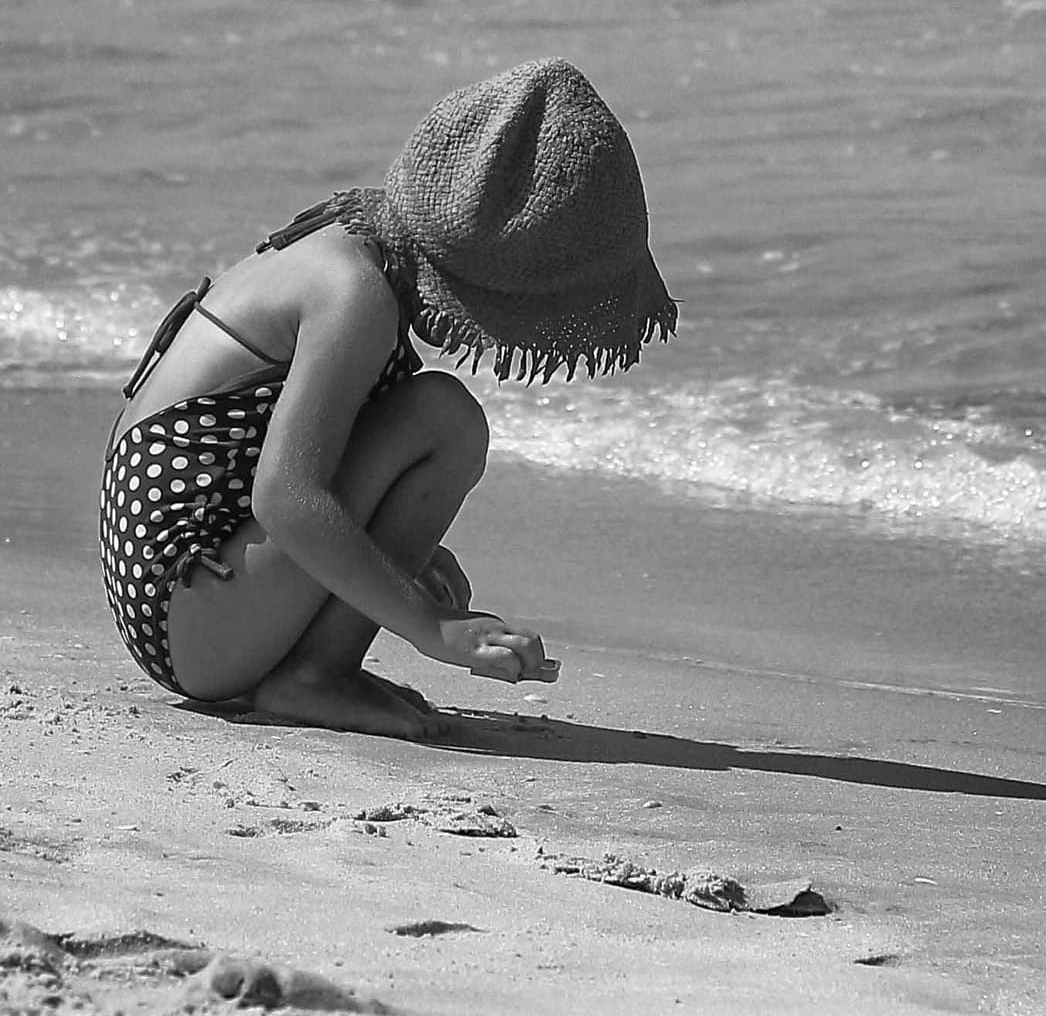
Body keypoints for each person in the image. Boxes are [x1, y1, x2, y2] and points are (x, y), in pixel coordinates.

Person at [98, 58, 677, 739]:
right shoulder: (354, 296)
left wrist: (405, 557)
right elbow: (284, 498)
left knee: (432, 422)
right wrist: (433, 628)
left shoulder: (348, 240)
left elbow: (271, 460)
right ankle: (316, 674)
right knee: (445, 419)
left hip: (174, 593)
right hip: (193, 615)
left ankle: (315, 668)